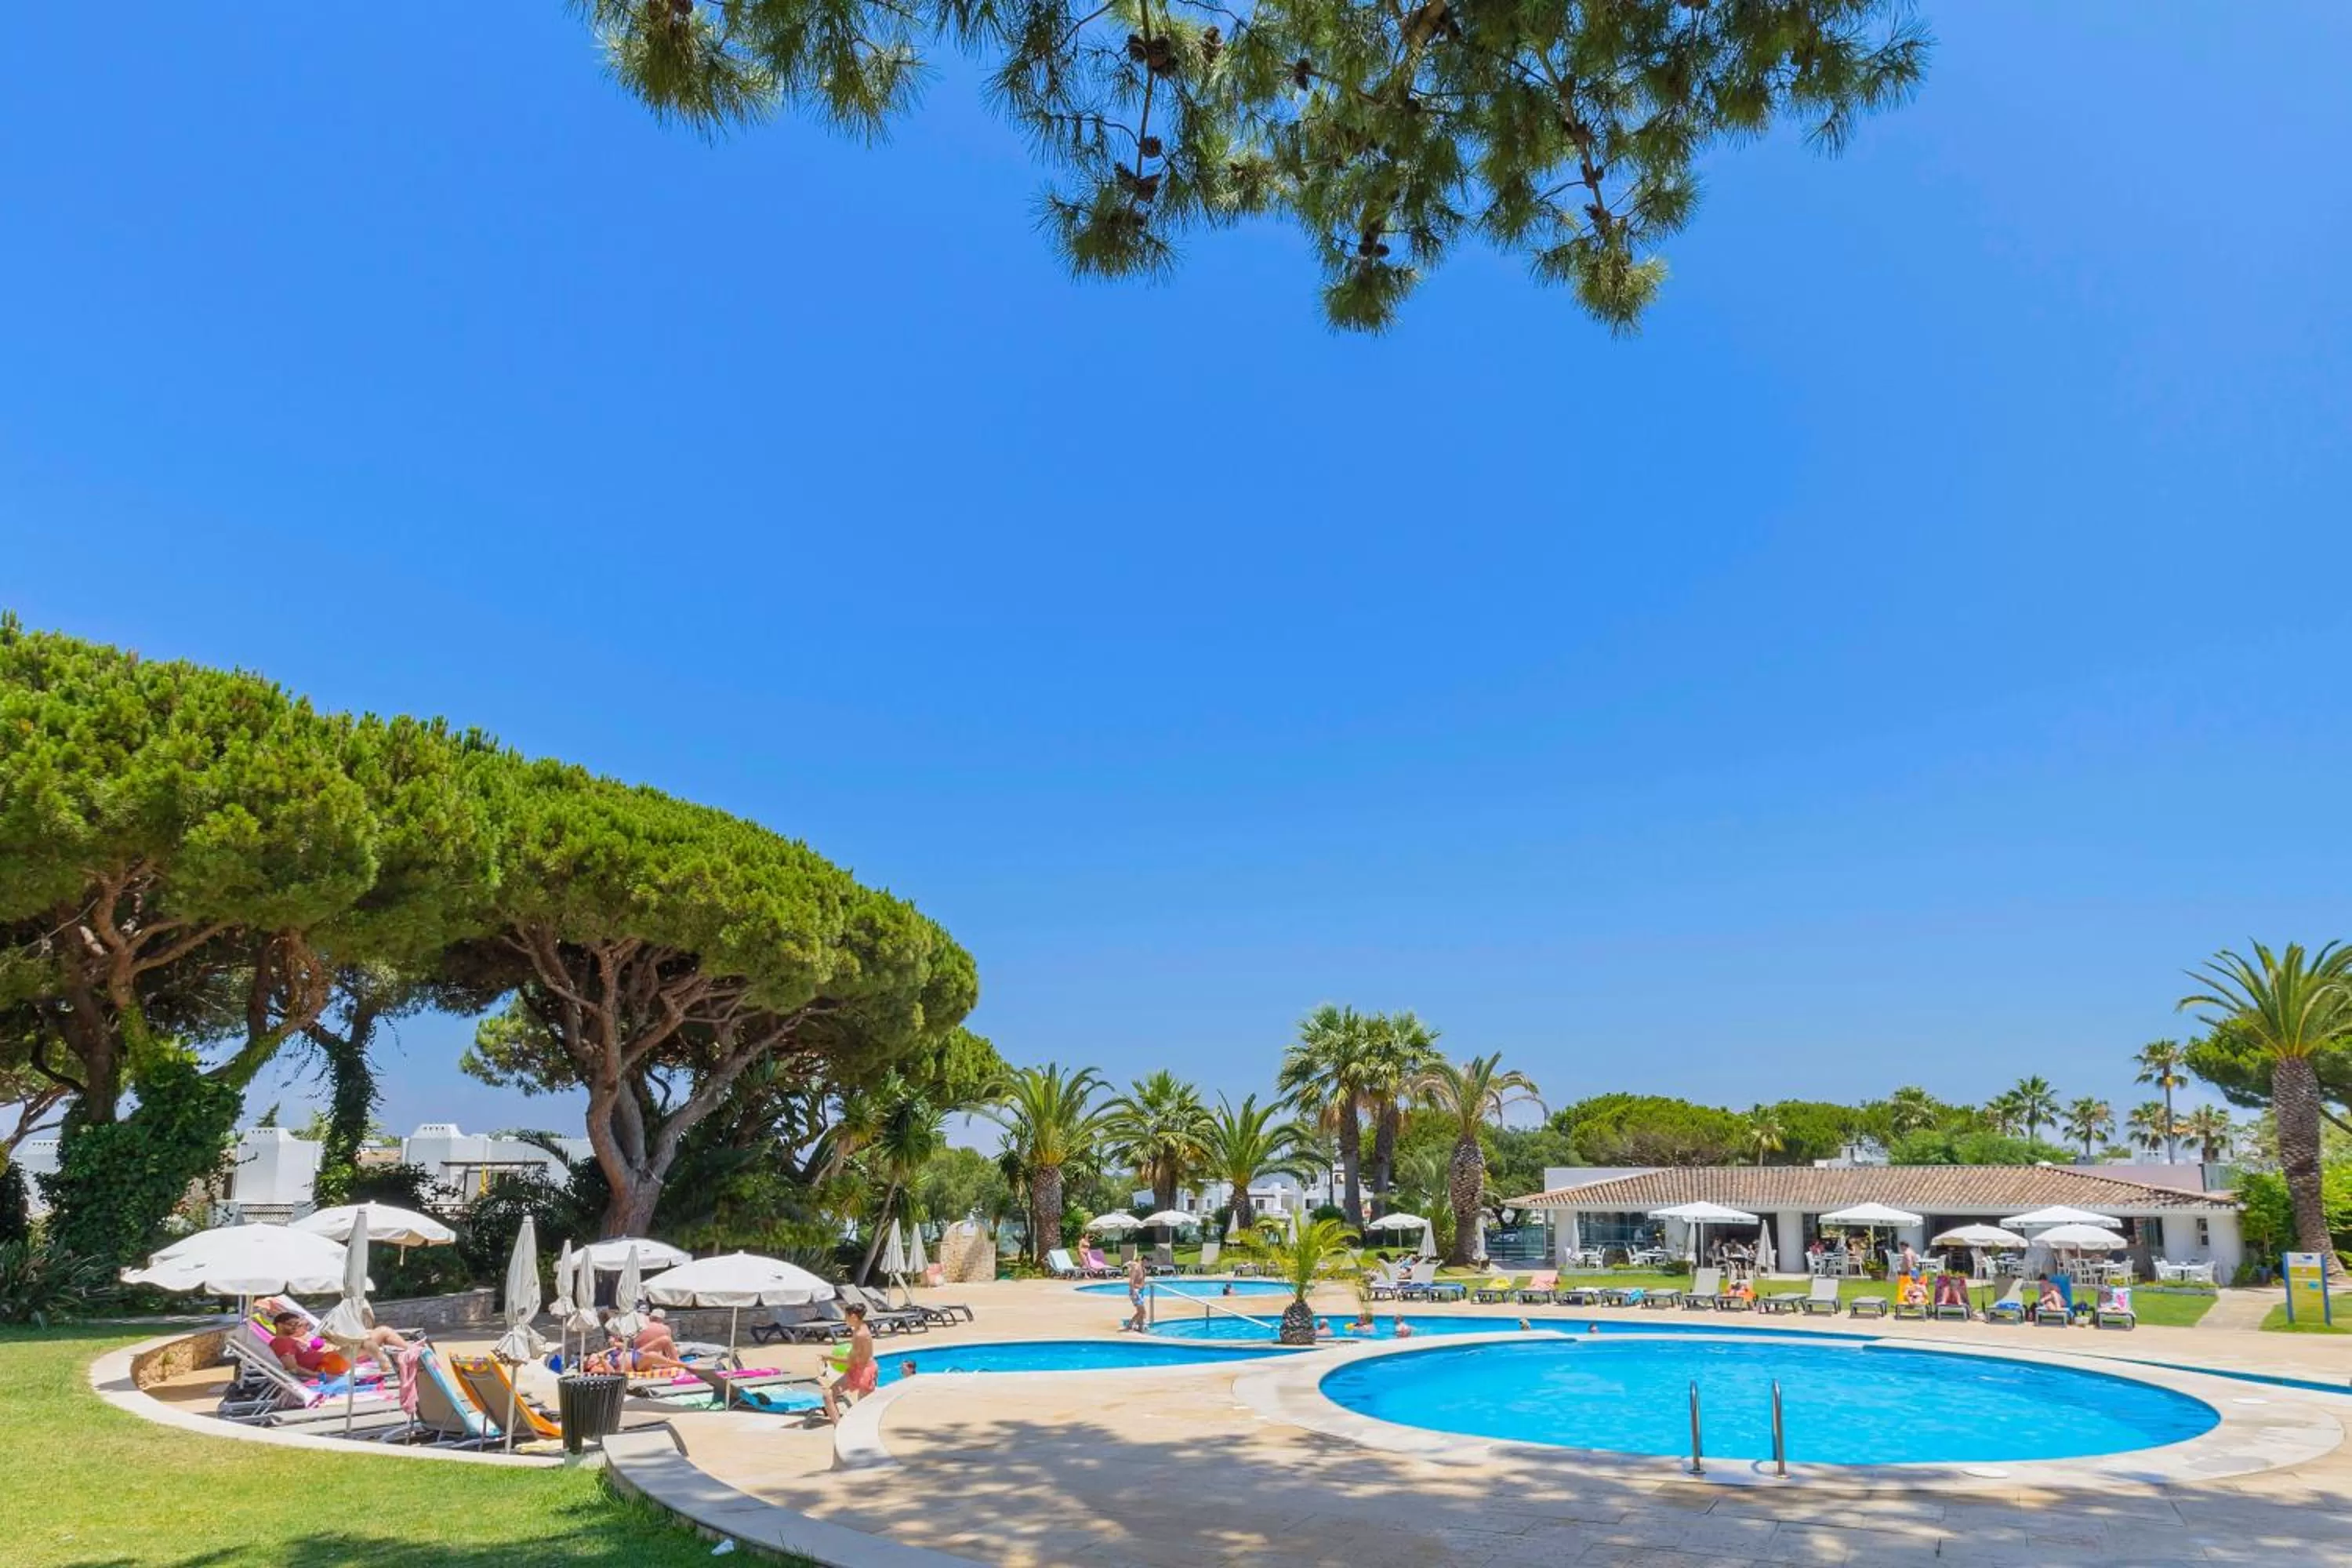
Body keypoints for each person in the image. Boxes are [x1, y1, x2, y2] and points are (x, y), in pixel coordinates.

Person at [822, 1303, 877, 1424]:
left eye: (846, 1316)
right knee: (828, 1395)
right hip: (860, 1368)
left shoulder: (860, 1334)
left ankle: (841, 1428)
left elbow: (850, 1361)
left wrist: (829, 1358)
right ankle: (839, 1427)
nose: (844, 1319)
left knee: (863, 1412)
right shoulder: (860, 1327)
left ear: (853, 1317)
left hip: (864, 1372)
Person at [1126, 1254, 1149, 1333]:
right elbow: (1131, 1281)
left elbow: (1142, 1281)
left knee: (1141, 1313)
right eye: (1148, 1262)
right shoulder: (1136, 1268)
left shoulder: (1144, 1269)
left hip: (1141, 1292)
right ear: (1144, 1260)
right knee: (1142, 1312)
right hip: (1135, 1291)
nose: (1148, 1264)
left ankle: (1140, 1328)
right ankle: (1130, 1325)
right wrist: (1133, 1292)